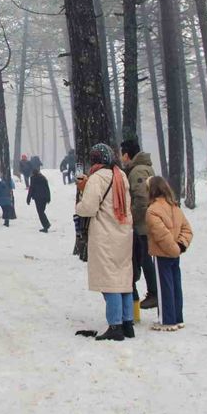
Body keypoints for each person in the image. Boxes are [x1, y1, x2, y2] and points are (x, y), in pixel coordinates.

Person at [75, 143, 133, 341]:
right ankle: (127, 323)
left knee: (109, 281)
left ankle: (115, 325)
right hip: (123, 232)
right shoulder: (121, 175)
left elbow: (89, 208)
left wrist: (81, 196)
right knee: (123, 278)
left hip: (105, 235)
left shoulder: (97, 178)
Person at [145, 177, 193, 331]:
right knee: (175, 285)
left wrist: (173, 248)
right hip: (175, 254)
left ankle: (167, 319)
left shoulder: (152, 210)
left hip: (162, 255)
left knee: (164, 286)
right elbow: (187, 229)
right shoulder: (175, 207)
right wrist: (180, 245)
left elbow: (161, 235)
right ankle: (177, 317)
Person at [120, 139, 158, 310]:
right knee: (144, 258)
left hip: (142, 224)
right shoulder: (142, 168)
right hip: (145, 221)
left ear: (127, 154)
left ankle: (154, 292)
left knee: (144, 259)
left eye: (122, 154)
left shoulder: (137, 171)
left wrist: (131, 218)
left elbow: (141, 199)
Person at [26, 167, 51, 232]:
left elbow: (31, 188)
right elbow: (47, 188)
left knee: (40, 212)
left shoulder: (33, 178)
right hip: (45, 197)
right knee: (42, 211)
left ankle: (46, 225)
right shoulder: (43, 178)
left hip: (38, 197)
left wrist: (28, 198)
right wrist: (49, 197)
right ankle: (46, 224)